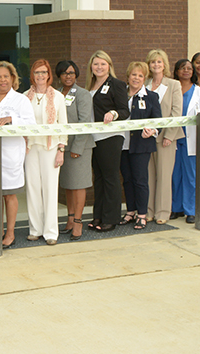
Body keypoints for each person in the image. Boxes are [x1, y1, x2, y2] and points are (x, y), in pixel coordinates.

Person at [0, 61, 35, 247]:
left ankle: (10, 233)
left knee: (9, 195)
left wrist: (13, 119)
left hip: (11, 153)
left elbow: (31, 124)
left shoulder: (20, 100)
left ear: (13, 78)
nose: (3, 80)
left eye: (6, 76)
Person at [23, 59, 67, 244]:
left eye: (43, 72)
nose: (40, 76)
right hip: (31, 147)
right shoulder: (25, 96)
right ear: (32, 75)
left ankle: (50, 232)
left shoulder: (58, 97)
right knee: (32, 189)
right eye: (36, 72)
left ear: (49, 75)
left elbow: (63, 125)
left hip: (51, 148)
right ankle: (35, 229)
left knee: (50, 190)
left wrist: (61, 150)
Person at [88, 50, 129, 232]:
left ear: (109, 66)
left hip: (111, 136)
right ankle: (98, 215)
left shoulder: (117, 84)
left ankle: (111, 218)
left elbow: (124, 110)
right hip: (94, 137)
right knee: (99, 177)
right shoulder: (90, 86)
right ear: (91, 66)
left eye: (103, 64)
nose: (99, 67)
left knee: (110, 177)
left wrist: (113, 113)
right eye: (96, 64)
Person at [118, 62, 161, 230]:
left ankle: (142, 214)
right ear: (128, 76)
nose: (136, 78)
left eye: (140, 75)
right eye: (133, 75)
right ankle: (130, 211)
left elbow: (158, 120)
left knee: (140, 180)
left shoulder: (151, 96)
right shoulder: (121, 95)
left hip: (141, 145)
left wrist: (153, 131)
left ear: (145, 78)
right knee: (127, 180)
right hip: (122, 144)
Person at [56, 60, 94, 241]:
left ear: (76, 74)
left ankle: (78, 222)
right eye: (64, 73)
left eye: (71, 73)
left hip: (81, 147)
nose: (68, 76)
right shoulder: (56, 95)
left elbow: (85, 121)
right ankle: (70, 219)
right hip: (63, 146)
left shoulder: (82, 94)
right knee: (68, 185)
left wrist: (77, 148)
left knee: (78, 184)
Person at [171, 59, 200, 224]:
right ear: (176, 71)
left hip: (191, 139)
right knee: (175, 175)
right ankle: (176, 208)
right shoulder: (171, 90)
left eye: (189, 68)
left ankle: (191, 210)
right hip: (173, 138)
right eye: (182, 68)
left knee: (190, 176)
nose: (186, 71)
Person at [144, 49, 182, 225]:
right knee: (148, 176)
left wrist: (170, 135)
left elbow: (176, 113)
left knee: (164, 176)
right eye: (153, 62)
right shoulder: (144, 83)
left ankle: (163, 212)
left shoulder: (174, 85)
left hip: (166, 138)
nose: (156, 65)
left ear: (164, 64)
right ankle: (149, 211)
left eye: (159, 62)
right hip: (146, 137)